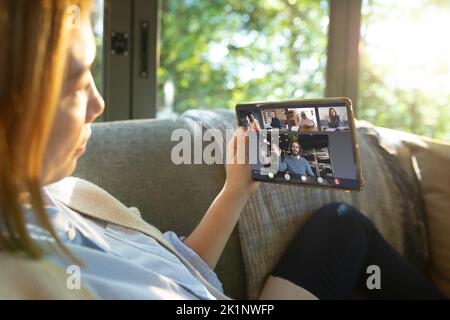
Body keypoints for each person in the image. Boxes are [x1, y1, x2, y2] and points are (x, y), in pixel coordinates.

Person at [0, 0, 445, 300]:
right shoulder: (23, 276)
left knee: (341, 225)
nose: (99, 104)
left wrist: (236, 190)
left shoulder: (65, 195)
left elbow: (180, 267)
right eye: (77, 84)